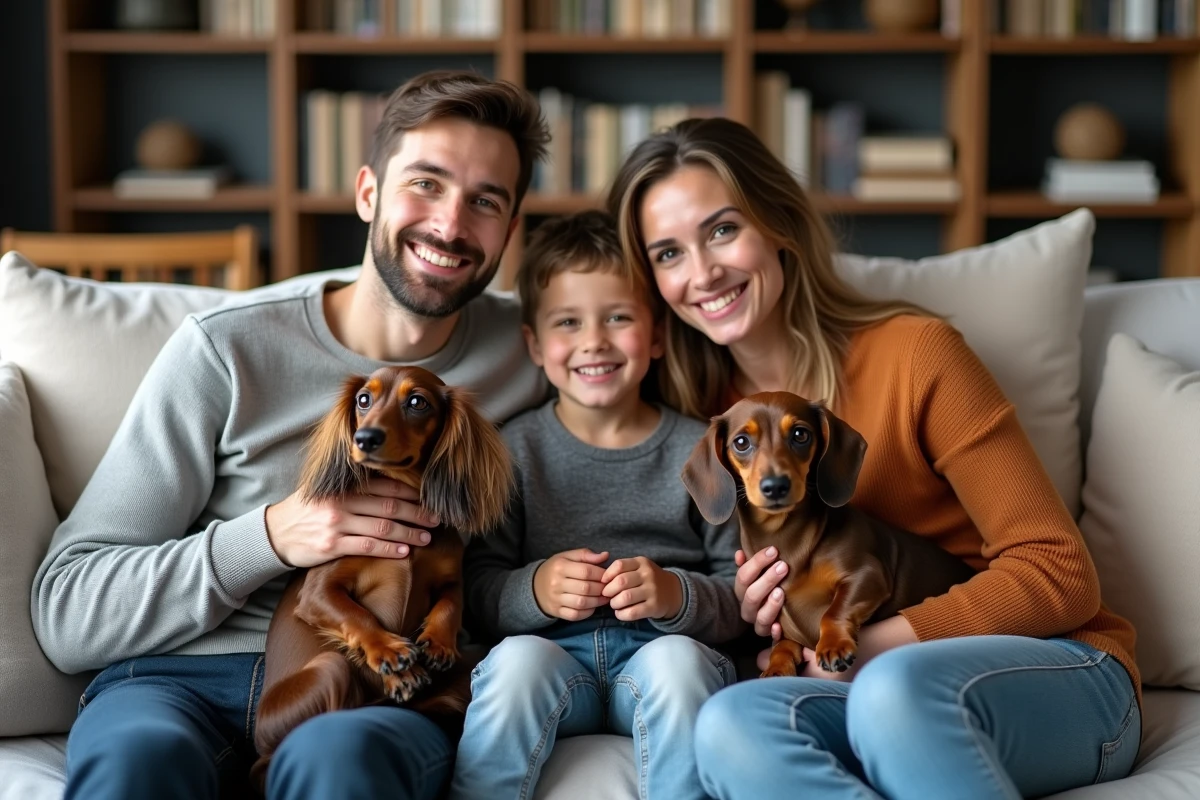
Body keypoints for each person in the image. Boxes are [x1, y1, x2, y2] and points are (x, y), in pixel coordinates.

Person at [31, 70, 550, 800]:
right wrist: (272, 534)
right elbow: (67, 609)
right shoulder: (225, 349)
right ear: (368, 191)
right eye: (426, 184)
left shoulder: (534, 351)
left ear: (510, 227)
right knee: (135, 770)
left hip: (377, 689)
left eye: (485, 201)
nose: (450, 224)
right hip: (178, 680)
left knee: (340, 766)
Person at [607, 117, 1141, 800]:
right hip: (860, 686)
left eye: (721, 229)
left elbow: (1061, 573)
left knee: (894, 688)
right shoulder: (708, 422)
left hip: (1062, 671)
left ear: (778, 224)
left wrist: (869, 643)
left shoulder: (918, 355)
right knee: (728, 725)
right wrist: (750, 607)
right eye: (668, 254)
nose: (703, 272)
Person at [447, 210, 745, 800]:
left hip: (662, 658)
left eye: (617, 318)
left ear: (656, 335)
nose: (594, 341)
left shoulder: (702, 450)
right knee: (516, 667)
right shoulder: (514, 451)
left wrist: (674, 595)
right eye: (568, 322)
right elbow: (475, 588)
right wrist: (533, 589)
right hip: (556, 664)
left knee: (679, 667)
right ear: (534, 344)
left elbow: (740, 590)